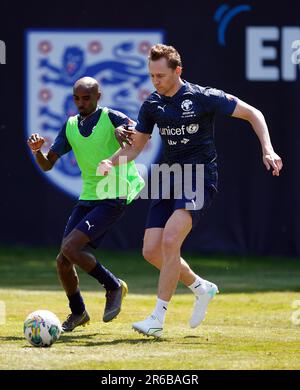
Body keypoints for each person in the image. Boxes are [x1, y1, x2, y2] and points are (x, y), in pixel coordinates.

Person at [98, 44, 283, 338]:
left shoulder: (202, 97)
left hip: (199, 176)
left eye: (160, 75)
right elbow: (137, 147)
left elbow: (253, 113)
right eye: (151, 76)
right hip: (169, 176)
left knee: (171, 241)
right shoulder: (152, 105)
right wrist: (111, 160)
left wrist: (268, 149)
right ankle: (200, 286)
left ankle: (157, 319)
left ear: (177, 71)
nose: (155, 81)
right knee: (150, 251)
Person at [27, 76, 144, 332]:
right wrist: (37, 151)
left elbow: (136, 134)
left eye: (86, 98)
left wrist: (121, 130)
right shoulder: (69, 126)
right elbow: (48, 164)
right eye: (77, 98)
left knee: (71, 247)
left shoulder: (111, 116)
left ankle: (113, 286)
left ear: (98, 97)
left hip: (115, 193)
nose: (81, 103)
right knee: (63, 260)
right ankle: (79, 312)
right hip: (89, 196)